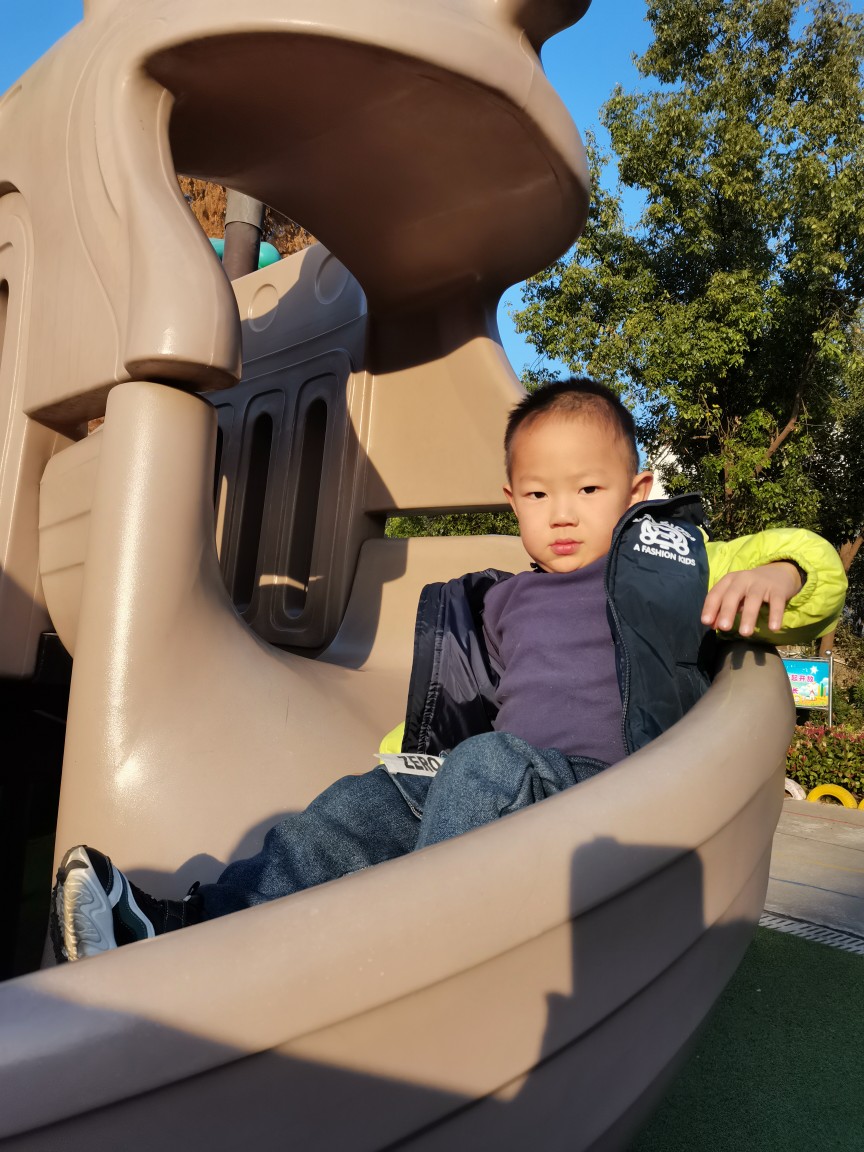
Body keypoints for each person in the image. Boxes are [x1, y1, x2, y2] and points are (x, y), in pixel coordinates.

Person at [51, 379, 847, 962]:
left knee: (485, 767)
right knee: (355, 805)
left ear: (637, 491)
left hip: (604, 795)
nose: (562, 512)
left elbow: (816, 573)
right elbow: (471, 704)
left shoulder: (674, 564)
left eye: (588, 489)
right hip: (494, 785)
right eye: (538, 493)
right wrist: (397, 760)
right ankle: (184, 930)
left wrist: (775, 574)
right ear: (512, 502)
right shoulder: (504, 600)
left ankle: (419, 963)